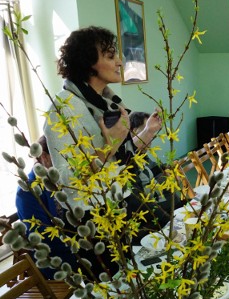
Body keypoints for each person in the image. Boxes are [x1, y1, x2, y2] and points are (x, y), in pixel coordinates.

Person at [44, 26, 167, 268]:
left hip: (122, 199)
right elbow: (68, 179)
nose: (120, 62)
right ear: (89, 63)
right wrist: (109, 145)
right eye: (110, 56)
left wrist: (148, 132)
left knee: (162, 247)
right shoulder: (64, 109)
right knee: (121, 286)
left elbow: (121, 157)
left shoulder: (105, 104)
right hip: (94, 218)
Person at [15, 136, 76, 279]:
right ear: (44, 157)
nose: (66, 163)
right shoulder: (27, 192)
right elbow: (43, 237)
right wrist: (78, 244)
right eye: (60, 157)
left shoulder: (58, 178)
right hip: (55, 258)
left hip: (73, 245)